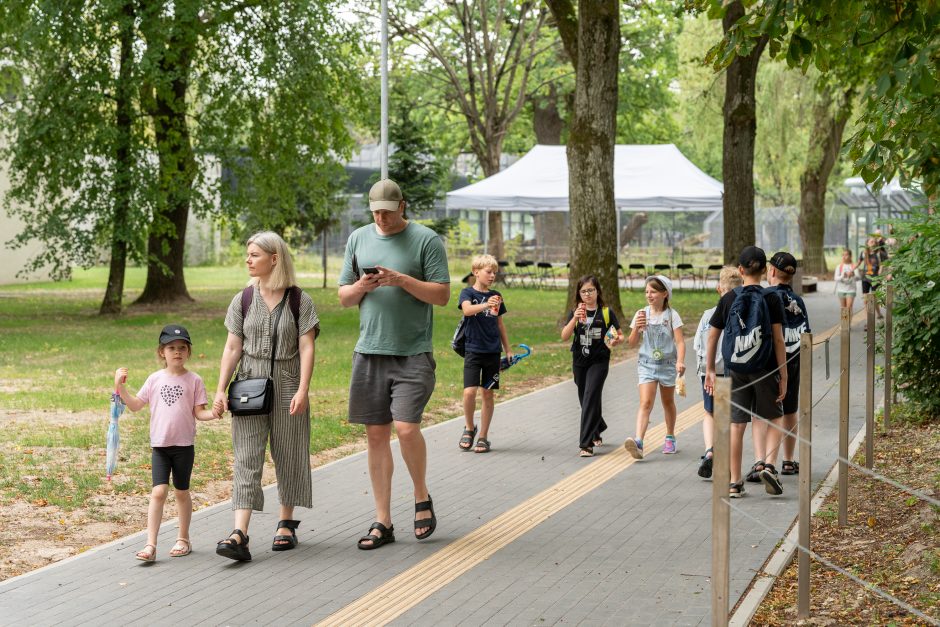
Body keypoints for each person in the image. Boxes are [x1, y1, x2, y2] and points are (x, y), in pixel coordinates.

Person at [338, 178, 450, 550]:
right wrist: (362, 288)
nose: (381, 218)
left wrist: (400, 279)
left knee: (405, 428)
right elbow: (343, 297)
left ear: (402, 205)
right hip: (370, 351)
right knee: (375, 435)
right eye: (376, 212)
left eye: (388, 211)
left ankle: (421, 496)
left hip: (412, 353)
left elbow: (443, 295)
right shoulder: (358, 239)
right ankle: (382, 521)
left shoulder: (426, 240)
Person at [213, 232, 319, 562]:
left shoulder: (299, 300)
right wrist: (220, 388)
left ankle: (286, 523)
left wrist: (302, 389)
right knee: (246, 455)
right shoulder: (243, 299)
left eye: (255, 254)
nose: (248, 259)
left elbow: (307, 346)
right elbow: (232, 348)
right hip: (249, 384)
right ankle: (239, 533)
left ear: (275, 258)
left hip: (288, 382)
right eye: (248, 254)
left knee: (289, 452)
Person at [114, 324, 217, 562]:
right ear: (162, 352)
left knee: (181, 492)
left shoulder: (195, 380)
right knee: (159, 492)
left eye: (182, 347)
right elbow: (136, 405)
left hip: (183, 447)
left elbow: (199, 413)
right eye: (171, 347)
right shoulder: (154, 379)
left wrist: (215, 413)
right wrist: (120, 386)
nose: (177, 352)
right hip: (160, 447)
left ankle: (183, 538)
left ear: (188, 351)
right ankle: (151, 544)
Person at [704, 246, 787, 498]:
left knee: (736, 425)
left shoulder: (729, 298)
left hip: (735, 369)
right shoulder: (772, 298)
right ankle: (769, 465)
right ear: (764, 270)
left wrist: (709, 369)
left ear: (740, 270)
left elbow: (713, 336)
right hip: (765, 368)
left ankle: (734, 482)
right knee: (773, 417)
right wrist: (784, 375)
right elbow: (779, 340)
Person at [561, 275, 623, 457]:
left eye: (590, 290)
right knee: (585, 397)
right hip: (580, 360)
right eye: (583, 291)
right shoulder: (575, 312)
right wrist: (574, 319)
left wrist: (617, 340)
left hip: (599, 360)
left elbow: (619, 335)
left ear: (597, 291)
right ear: (579, 293)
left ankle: (586, 444)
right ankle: (598, 426)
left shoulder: (605, 312)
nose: (587, 294)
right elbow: (564, 336)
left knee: (590, 396)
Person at [623, 275, 685, 459]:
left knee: (668, 403)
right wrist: (636, 329)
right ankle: (639, 442)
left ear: (665, 294)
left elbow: (680, 342)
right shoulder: (641, 314)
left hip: (667, 365)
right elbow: (632, 343)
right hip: (647, 364)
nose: (649, 295)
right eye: (647, 292)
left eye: (653, 292)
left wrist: (680, 361)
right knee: (646, 403)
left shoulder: (672, 315)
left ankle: (670, 437)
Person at [457, 254, 512, 453]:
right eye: (488, 272)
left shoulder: (496, 295)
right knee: (469, 391)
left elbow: (500, 325)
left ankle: (483, 437)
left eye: (494, 273)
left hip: (492, 352)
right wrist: (486, 305)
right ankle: (470, 428)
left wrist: (508, 349)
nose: (492, 276)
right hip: (473, 350)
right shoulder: (467, 293)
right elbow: (467, 311)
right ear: (476, 272)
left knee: (487, 393)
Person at [692, 267, 741, 478]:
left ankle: (710, 451)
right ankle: (727, 463)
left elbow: (697, 344)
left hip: (709, 371)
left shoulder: (707, 315)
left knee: (710, 412)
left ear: (718, 289)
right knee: (729, 417)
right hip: (733, 369)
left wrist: (705, 369)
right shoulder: (741, 312)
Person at [765, 252, 810, 477]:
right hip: (793, 361)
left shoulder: (765, 297)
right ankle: (789, 460)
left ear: (771, 271)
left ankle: (764, 461)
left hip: (769, 363)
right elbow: (806, 334)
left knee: (767, 413)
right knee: (790, 409)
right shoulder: (798, 301)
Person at [859, 237, 883, 319]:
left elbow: (882, 264)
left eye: (874, 241)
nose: (873, 243)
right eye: (871, 241)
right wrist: (851, 269)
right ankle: (868, 320)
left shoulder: (878, 253)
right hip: (865, 278)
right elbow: (858, 263)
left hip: (875, 279)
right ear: (867, 243)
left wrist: (880, 270)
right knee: (866, 300)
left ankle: (879, 313)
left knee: (873, 299)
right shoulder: (863, 253)